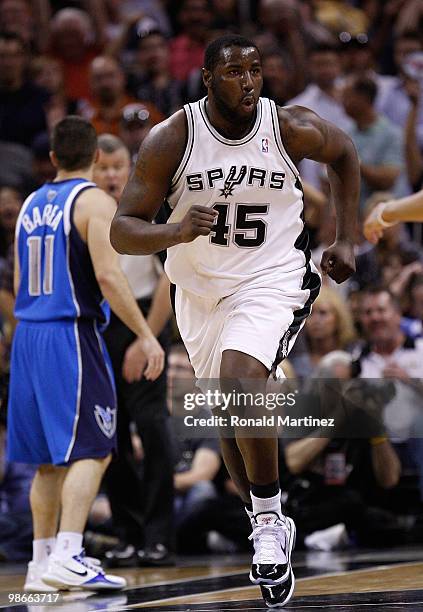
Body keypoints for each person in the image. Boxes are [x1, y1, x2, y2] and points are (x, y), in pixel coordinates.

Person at [110, 34, 359, 607]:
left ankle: (271, 518)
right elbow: (123, 227)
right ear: (207, 80)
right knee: (228, 414)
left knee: (242, 377)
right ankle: (260, 514)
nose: (247, 81)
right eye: (233, 72)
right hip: (198, 291)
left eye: (255, 70)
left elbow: (344, 154)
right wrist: (174, 230)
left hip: (272, 276)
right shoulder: (173, 137)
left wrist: (346, 237)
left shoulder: (287, 126)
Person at [7, 116, 164, 592]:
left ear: (52, 158)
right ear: (96, 157)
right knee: (95, 448)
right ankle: (71, 552)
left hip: (27, 334)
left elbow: (16, 283)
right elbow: (110, 277)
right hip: (69, 334)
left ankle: (40, 564)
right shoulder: (92, 200)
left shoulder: (29, 204)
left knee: (48, 461)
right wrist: (146, 334)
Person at [93, 134, 175, 568]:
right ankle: (127, 533)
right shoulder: (86, 208)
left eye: (116, 166)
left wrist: (147, 338)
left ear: (130, 167)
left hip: (144, 320)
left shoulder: (145, 206)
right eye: (102, 167)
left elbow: (169, 278)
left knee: (152, 426)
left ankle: (160, 537)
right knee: (111, 433)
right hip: (100, 323)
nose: (109, 175)